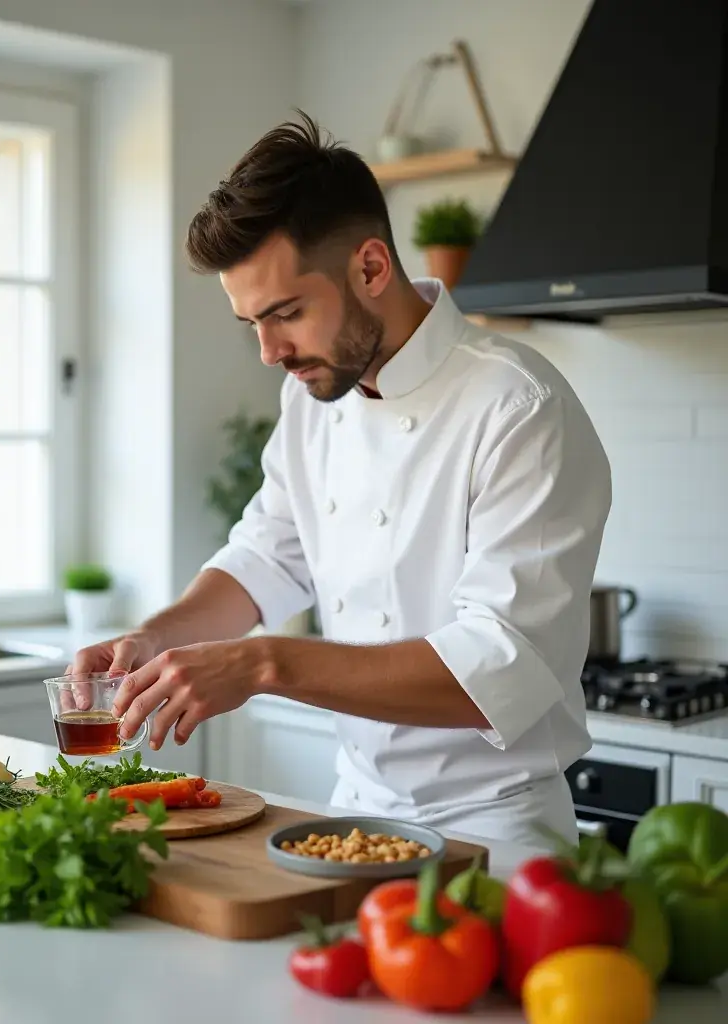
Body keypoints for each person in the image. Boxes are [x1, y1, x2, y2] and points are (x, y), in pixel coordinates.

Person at [72, 111, 612, 846]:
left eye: (286, 313)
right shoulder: (311, 398)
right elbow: (264, 561)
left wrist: (264, 663)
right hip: (351, 816)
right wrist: (151, 640)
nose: (268, 352)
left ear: (370, 267)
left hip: (495, 831)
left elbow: (497, 670)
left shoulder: (519, 407)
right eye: (251, 323)